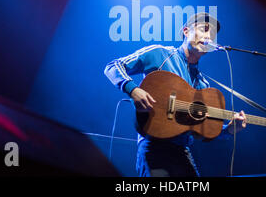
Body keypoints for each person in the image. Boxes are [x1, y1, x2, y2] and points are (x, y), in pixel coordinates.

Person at [104, 12, 247, 177]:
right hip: (153, 147)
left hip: (182, 152)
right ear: (186, 31)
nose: (208, 37)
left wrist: (228, 130)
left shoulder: (203, 85)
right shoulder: (160, 54)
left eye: (212, 35)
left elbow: (203, 129)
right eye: (204, 29)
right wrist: (133, 89)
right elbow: (114, 66)